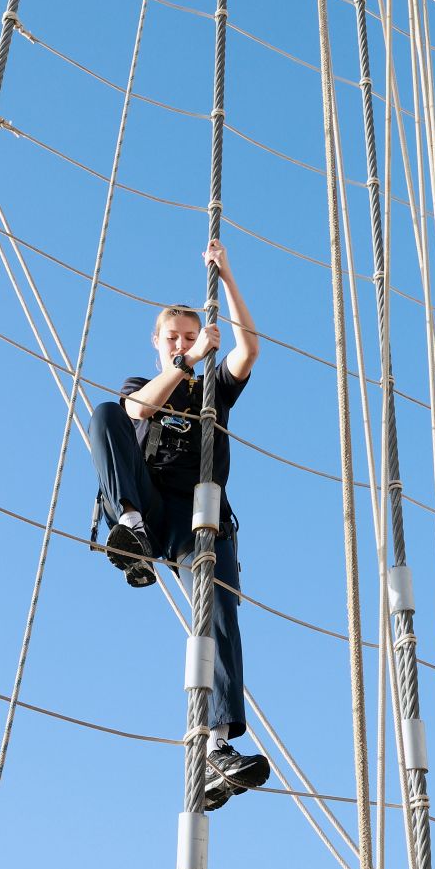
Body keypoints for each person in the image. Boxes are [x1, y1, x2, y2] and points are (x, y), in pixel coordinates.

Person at [89, 241, 271, 810]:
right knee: (104, 415)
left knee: (219, 609)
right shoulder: (148, 384)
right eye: (173, 337)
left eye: (190, 337)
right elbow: (139, 412)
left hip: (200, 513)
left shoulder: (212, 388)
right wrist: (182, 366)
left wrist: (228, 275)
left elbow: (250, 349)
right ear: (158, 341)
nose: (182, 344)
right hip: (152, 504)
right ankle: (131, 530)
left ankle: (217, 747)